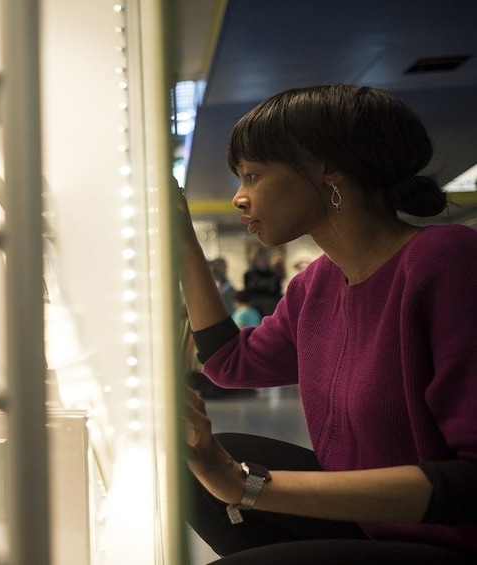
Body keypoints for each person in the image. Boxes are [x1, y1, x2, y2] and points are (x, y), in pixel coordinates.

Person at [178, 84, 477, 564]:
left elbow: (470, 482)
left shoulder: (446, 262)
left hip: (446, 538)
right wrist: (184, 243)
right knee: (191, 468)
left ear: (328, 169)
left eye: (253, 176)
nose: (239, 197)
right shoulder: (315, 285)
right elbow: (229, 364)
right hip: (374, 525)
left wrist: (243, 486)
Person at [242, 248, 283, 316]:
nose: (262, 262)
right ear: (255, 261)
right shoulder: (249, 275)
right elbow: (248, 292)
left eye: (264, 260)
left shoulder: (274, 275)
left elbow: (277, 291)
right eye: (259, 260)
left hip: (272, 306)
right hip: (255, 307)